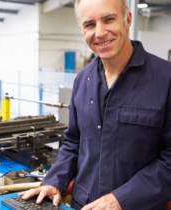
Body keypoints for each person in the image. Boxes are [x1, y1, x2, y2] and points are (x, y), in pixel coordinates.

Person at [19, 0, 171, 209]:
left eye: (109, 19)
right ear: (82, 29)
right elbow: (73, 141)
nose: (99, 33)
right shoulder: (82, 80)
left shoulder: (166, 79)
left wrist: (121, 199)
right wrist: (55, 181)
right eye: (90, 24)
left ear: (127, 19)